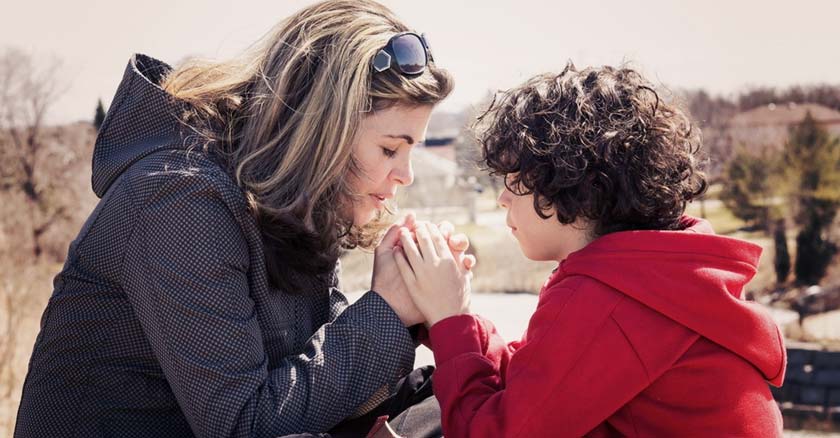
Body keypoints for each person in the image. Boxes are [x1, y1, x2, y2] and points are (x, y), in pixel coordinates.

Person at [14, 1, 469, 437]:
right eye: (390, 148)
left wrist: (409, 304)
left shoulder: (293, 209)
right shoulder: (177, 199)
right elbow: (244, 426)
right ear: (321, 131)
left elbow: (319, 386)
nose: (405, 175)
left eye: (412, 150)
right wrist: (386, 313)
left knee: (451, 406)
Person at [389, 64, 787, 437]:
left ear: (574, 183)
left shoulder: (610, 301)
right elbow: (544, 386)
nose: (503, 199)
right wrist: (452, 318)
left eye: (515, 179)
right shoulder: (654, 279)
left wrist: (448, 321)